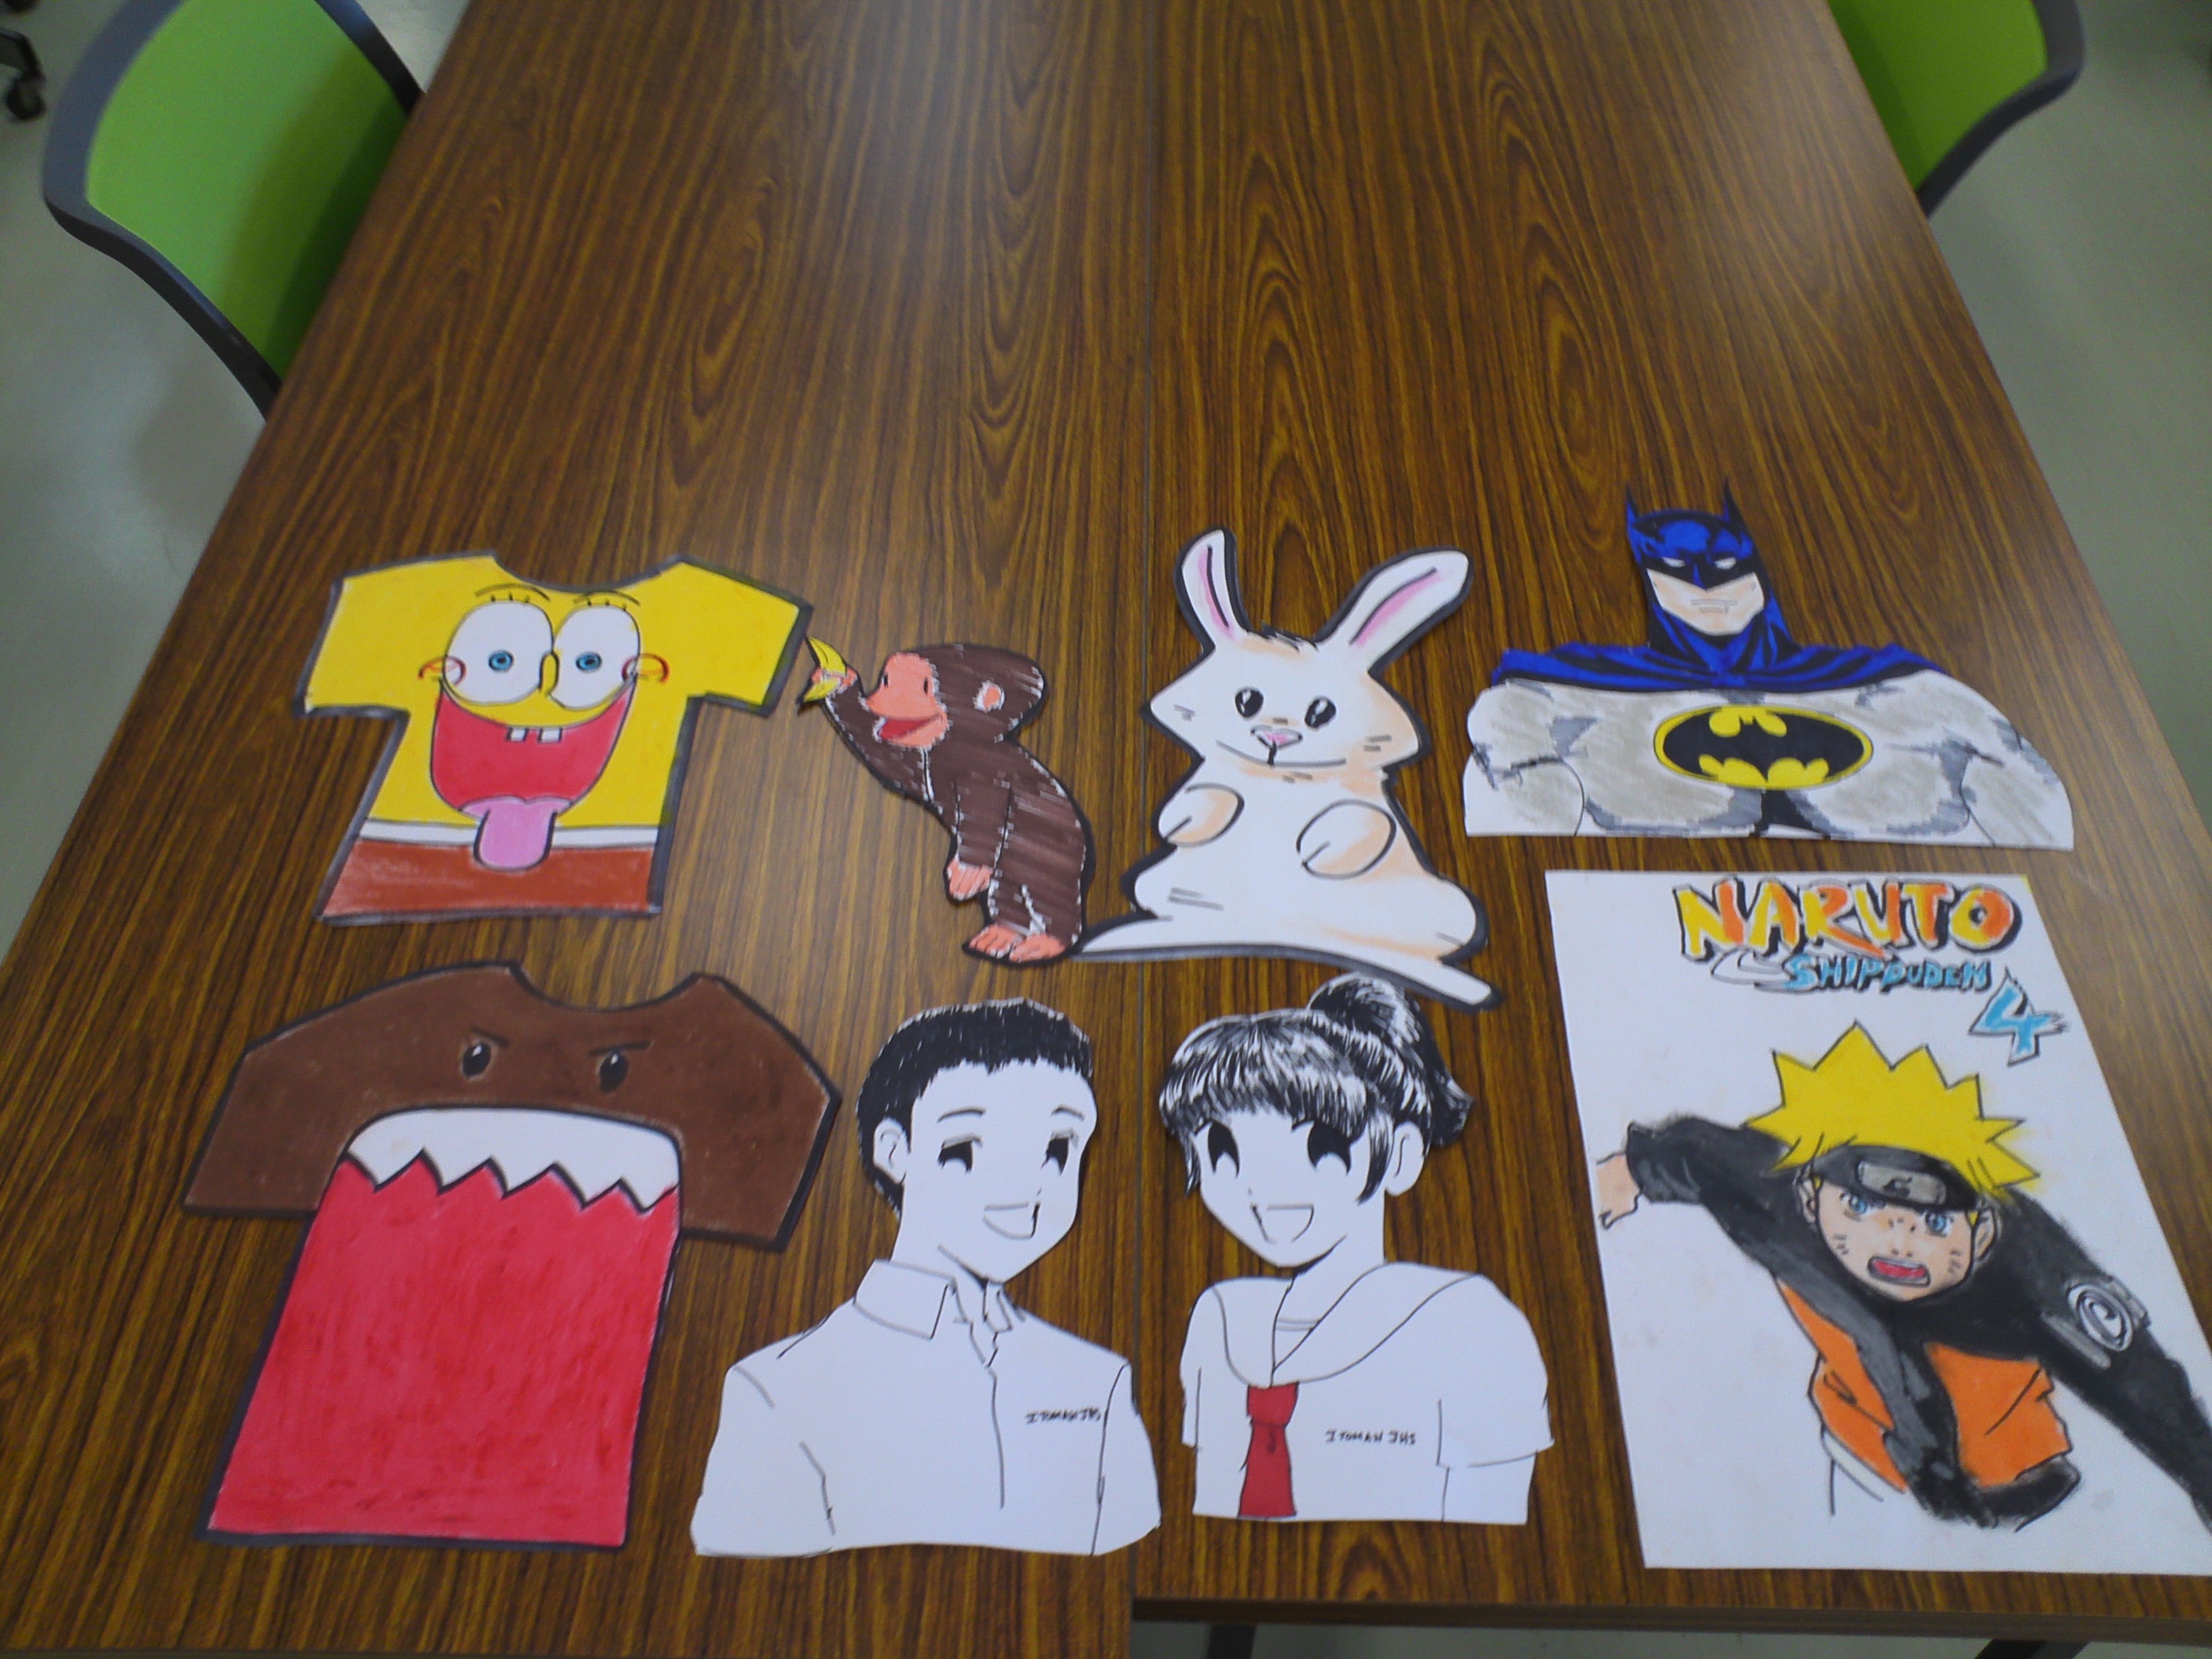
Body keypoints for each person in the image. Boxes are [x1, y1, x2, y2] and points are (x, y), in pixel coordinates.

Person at [1597, 1023, 2212, 1529]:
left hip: (1994, 1460)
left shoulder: (2034, 1280)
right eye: (1862, 1209)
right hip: (1863, 1433)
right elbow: (1689, 1154)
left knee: (1990, 1416)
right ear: (1810, 1199)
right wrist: (1625, 1175)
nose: (1897, 1242)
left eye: (1933, 1224)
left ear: (1982, 1234)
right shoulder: (1774, 1195)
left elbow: (2148, 1390)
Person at [691, 1000, 1159, 1555]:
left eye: (1058, 1148)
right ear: (896, 1151)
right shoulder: (778, 1389)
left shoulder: (1098, 1381)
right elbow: (749, 1578)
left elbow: (1131, 1555)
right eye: (966, 1148)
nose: (1025, 1182)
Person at [1158, 975, 1550, 1523]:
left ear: (1401, 1156)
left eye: (1318, 1144)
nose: (1261, 1185)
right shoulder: (1220, 1316)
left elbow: (1493, 1521)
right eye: (1224, 1152)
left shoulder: (1470, 1323)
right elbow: (1214, 1501)